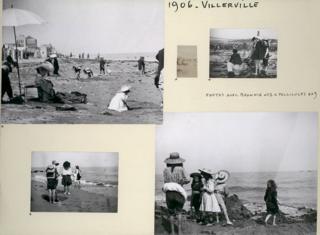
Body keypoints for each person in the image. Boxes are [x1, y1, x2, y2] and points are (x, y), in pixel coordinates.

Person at [162, 152, 190, 235]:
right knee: (179, 212)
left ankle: (173, 232)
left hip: (169, 192)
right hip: (178, 191)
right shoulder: (181, 168)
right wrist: (182, 182)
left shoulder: (165, 170)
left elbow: (165, 181)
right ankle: (180, 232)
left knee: (171, 213)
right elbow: (188, 179)